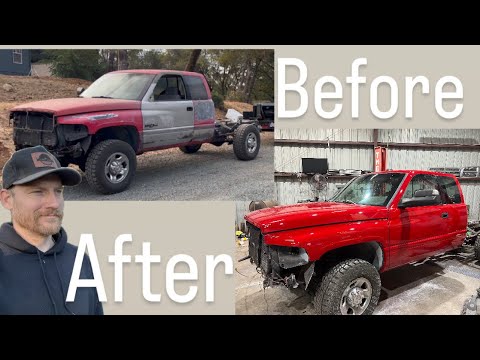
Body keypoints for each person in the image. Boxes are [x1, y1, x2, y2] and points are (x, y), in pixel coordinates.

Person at [0, 146, 103, 315]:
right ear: (7, 199)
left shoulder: (81, 261)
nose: (54, 203)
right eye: (38, 192)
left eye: (58, 191)